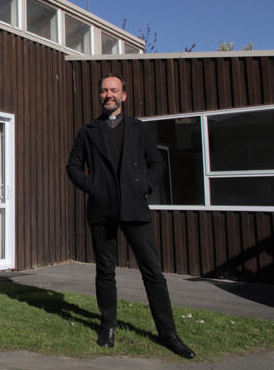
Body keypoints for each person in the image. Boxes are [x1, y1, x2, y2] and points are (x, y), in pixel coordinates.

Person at [66, 73, 195, 359]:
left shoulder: (139, 129)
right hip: (102, 211)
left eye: (113, 90)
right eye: (103, 91)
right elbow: (73, 167)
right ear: (99, 96)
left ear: (124, 95)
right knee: (105, 271)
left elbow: (157, 163)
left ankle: (169, 334)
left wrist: (144, 186)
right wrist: (94, 187)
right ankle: (108, 326)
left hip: (135, 209)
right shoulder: (88, 131)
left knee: (153, 272)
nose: (108, 95)